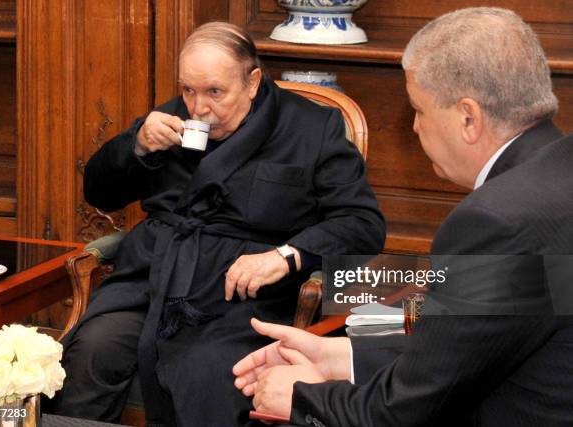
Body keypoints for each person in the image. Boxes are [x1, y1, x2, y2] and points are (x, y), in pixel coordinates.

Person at [233, 7, 573, 426]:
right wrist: (341, 353)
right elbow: (467, 337)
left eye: (419, 109)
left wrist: (302, 397)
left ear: (468, 118)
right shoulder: (557, 175)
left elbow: (403, 411)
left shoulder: (496, 221)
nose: (414, 127)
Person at [49, 22, 386, 426]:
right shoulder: (170, 120)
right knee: (94, 349)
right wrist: (137, 145)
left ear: (252, 81)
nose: (198, 108)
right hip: (155, 281)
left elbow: (362, 223)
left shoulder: (312, 129)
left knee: (206, 369)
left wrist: (285, 256)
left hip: (244, 296)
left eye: (214, 92)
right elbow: (99, 194)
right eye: (188, 90)